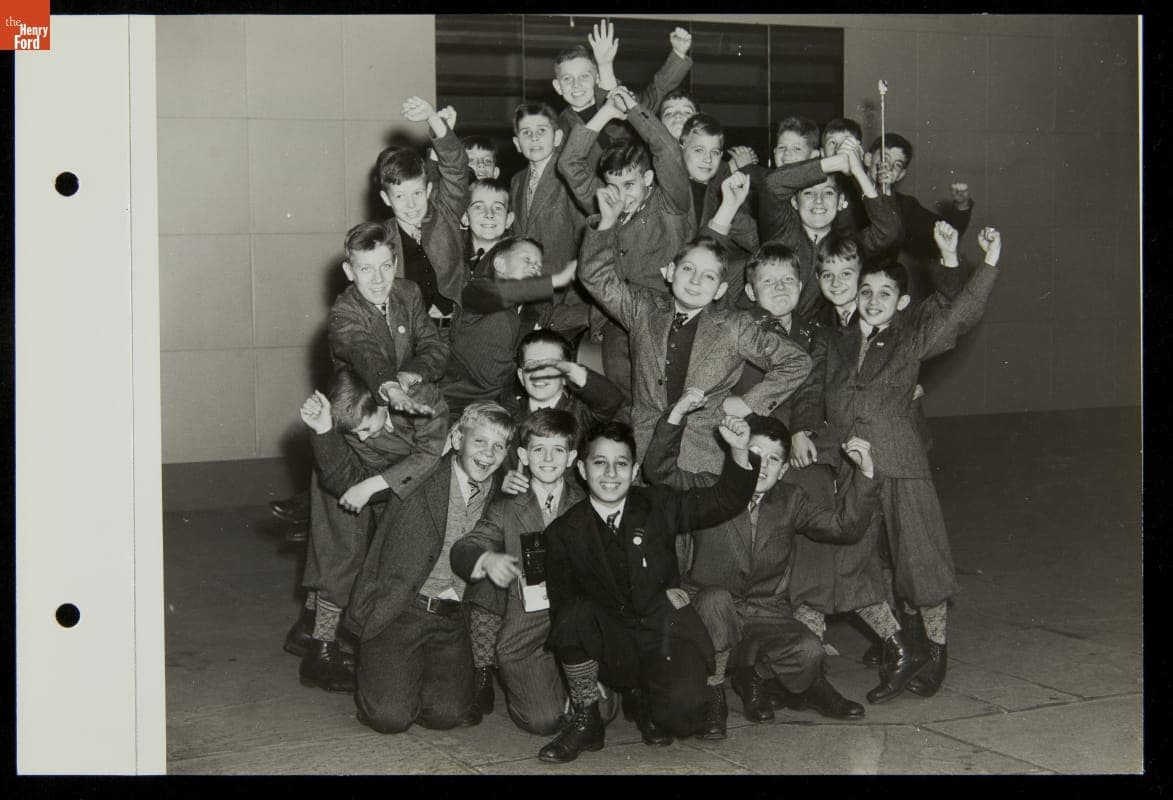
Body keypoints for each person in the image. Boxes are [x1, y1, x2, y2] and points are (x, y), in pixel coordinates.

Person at [793, 223, 1004, 702]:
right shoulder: (833, 339)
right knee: (851, 565)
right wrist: (801, 428)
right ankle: (898, 646)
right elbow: (810, 392)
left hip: (902, 463)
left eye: (884, 293)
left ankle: (936, 650)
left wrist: (986, 263)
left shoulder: (911, 338)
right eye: (865, 291)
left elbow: (960, 314)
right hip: (851, 469)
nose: (871, 299)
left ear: (901, 302)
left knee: (920, 561)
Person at [642, 395, 881, 736]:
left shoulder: (791, 500)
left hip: (764, 613)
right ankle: (714, 695)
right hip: (708, 612)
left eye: (773, 460)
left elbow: (844, 527)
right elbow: (658, 471)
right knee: (715, 600)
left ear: (784, 469)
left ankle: (755, 674)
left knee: (809, 651)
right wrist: (676, 414)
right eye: (754, 455)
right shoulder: (708, 487)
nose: (763, 466)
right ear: (735, 451)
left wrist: (866, 472)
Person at [287, 220, 450, 690]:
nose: (377, 279)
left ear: (394, 263)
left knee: (370, 551)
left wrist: (413, 376)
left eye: (385, 266)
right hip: (351, 438)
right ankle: (319, 651)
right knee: (341, 549)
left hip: (397, 431)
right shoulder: (344, 314)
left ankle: (311, 632)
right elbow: (363, 354)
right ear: (348, 270)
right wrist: (389, 385)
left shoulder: (410, 295)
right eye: (365, 269)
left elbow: (435, 346)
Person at [537, 417, 759, 761]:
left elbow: (723, 500)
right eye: (600, 463)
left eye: (621, 464)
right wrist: (582, 680)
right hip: (614, 647)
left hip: (663, 636)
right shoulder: (563, 533)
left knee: (681, 720)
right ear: (581, 469)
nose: (611, 474)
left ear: (634, 468)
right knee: (573, 613)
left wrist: (739, 451)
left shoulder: (659, 504)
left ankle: (646, 701)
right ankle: (587, 719)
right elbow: (563, 614)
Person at [577, 182, 812, 475]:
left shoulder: (734, 326)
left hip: (700, 460)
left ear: (720, 290)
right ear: (671, 272)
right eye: (688, 270)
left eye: (709, 276)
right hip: (642, 450)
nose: (696, 281)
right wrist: (607, 223)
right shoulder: (643, 308)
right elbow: (595, 278)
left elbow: (797, 361)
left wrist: (750, 403)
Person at [344, 402, 516, 732]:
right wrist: (324, 431)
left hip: (451, 618)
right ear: (456, 438)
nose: (488, 453)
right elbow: (345, 474)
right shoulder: (418, 475)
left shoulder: (501, 494)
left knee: (446, 715)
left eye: (498, 445)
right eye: (479, 441)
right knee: (390, 717)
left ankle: (412, 675)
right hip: (400, 610)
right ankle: (387, 673)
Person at [451, 409, 621, 735]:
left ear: (572, 457)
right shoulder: (506, 508)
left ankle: (579, 682)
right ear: (522, 455)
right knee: (543, 721)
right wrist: (485, 560)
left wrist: (596, 671)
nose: (547, 458)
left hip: (582, 632)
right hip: (526, 636)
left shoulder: (591, 506)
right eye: (538, 450)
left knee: (600, 711)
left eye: (557, 450)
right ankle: (552, 687)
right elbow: (465, 547)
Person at [557, 86, 692, 403]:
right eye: (613, 185)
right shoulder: (607, 204)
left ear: (647, 180)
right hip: (617, 321)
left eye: (629, 184)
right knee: (623, 386)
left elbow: (669, 153)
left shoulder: (671, 203)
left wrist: (632, 108)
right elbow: (570, 163)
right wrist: (605, 113)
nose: (621, 195)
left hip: (667, 315)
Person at [441, 236, 579, 421]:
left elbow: (569, 316)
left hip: (499, 408)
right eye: (527, 260)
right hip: (453, 404)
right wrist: (557, 279)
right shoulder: (477, 292)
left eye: (538, 267)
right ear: (500, 264)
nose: (534, 268)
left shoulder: (532, 311)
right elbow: (501, 293)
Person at [376, 96, 470, 330]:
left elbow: (456, 169)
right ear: (386, 199)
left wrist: (433, 118)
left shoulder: (445, 212)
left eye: (417, 194)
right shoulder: (381, 238)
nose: (411, 205)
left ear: (428, 190)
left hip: (456, 329)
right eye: (400, 196)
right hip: (410, 335)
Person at [866, 132, 975, 303]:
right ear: (867, 159)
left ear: (900, 175)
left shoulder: (905, 206)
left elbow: (947, 232)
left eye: (896, 165)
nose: (887, 167)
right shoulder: (843, 193)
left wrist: (962, 206)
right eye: (884, 159)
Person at [553, 21, 693, 149]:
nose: (576, 85)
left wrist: (679, 53)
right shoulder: (560, 127)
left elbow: (657, 91)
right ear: (558, 86)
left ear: (597, 78)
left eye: (584, 76)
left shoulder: (621, 101)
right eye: (567, 79)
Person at [461, 177, 513, 278]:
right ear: (465, 217)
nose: (489, 214)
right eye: (479, 207)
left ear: (508, 220)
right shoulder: (455, 255)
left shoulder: (514, 260)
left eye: (498, 208)